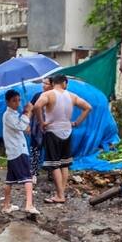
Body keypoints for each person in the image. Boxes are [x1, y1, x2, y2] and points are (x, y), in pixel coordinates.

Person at [34, 74, 91, 203]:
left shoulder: (48, 95)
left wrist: (41, 122)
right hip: (67, 130)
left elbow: (37, 106)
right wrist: (77, 122)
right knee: (64, 164)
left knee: (54, 164)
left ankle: (60, 195)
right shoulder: (72, 96)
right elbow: (88, 107)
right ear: (65, 83)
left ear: (53, 83)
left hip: (53, 130)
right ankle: (61, 193)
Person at [1, 89, 39, 215]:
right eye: (13, 101)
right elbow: (21, 126)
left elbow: (20, 124)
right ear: (7, 102)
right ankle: (29, 205)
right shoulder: (9, 115)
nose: (17, 103)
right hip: (18, 150)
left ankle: (6, 205)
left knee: (10, 180)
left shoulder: (12, 114)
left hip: (14, 151)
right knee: (27, 178)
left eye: (18, 100)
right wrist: (28, 112)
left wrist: (25, 112)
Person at [28, 78, 52, 181]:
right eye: (43, 83)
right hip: (36, 128)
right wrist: (27, 123)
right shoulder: (37, 95)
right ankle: (34, 173)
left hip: (50, 127)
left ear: (52, 85)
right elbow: (30, 109)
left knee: (51, 151)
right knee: (35, 150)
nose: (43, 85)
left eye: (46, 83)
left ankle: (51, 173)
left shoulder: (54, 97)